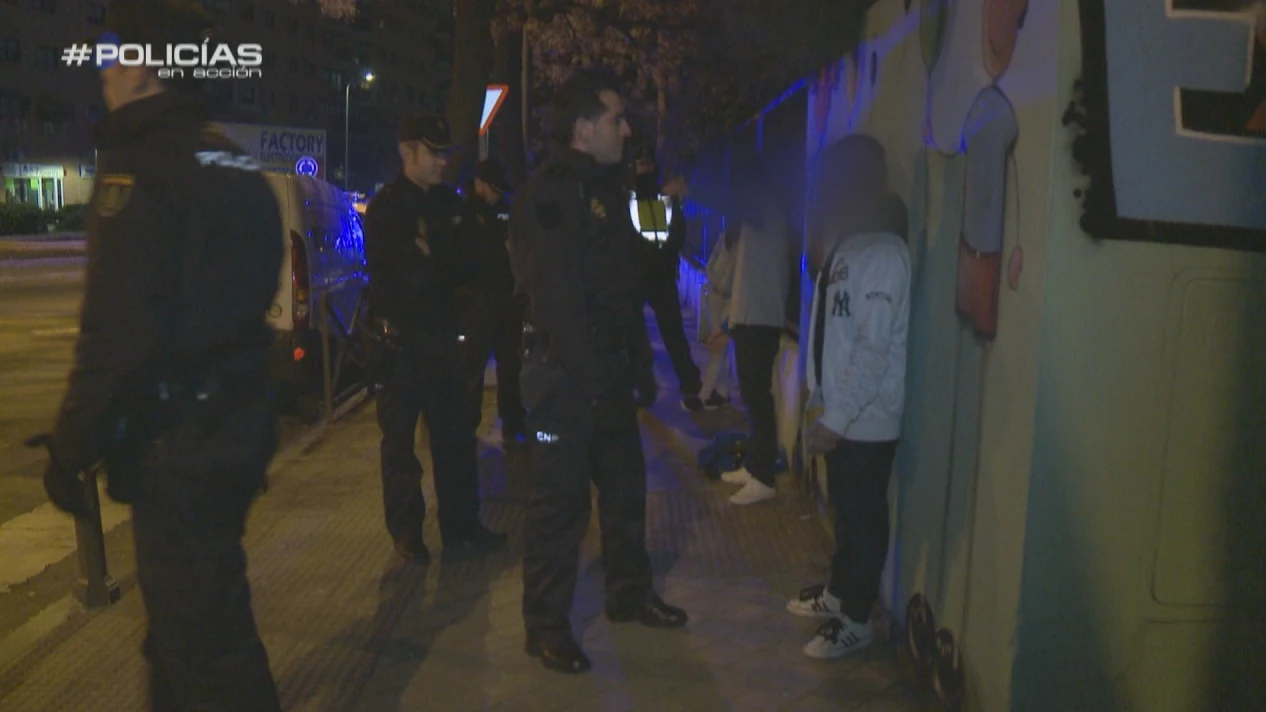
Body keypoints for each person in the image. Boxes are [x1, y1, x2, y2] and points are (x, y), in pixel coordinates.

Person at [30, 0, 282, 707]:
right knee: (184, 630)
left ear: (144, 70)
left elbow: (117, 328)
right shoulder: (231, 158)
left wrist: (72, 447)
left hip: (179, 447)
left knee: (208, 644)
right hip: (236, 429)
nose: (105, 73)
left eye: (113, 57)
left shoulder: (138, 167)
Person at [508, 69, 688, 675]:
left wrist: (650, 188)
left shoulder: (615, 192)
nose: (627, 127)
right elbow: (557, 300)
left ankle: (629, 595)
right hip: (565, 378)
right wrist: (594, 381)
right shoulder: (549, 195)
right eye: (617, 119)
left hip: (607, 373)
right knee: (559, 507)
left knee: (625, 493)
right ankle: (546, 625)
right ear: (584, 128)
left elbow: (649, 263)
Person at [364, 114, 507, 566]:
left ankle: (461, 527)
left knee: (455, 440)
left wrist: (435, 259)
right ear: (408, 152)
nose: (443, 161)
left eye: (446, 152)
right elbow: (413, 274)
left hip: (443, 342)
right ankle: (408, 535)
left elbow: (478, 265)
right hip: (401, 347)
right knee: (401, 446)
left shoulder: (450, 205)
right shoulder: (387, 209)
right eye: (434, 152)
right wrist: (438, 265)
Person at [789, 134, 910, 660]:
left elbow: (872, 350)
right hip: (842, 414)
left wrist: (834, 419)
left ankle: (857, 619)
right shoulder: (849, 244)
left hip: (865, 421)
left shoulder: (884, 251)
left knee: (863, 522)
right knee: (846, 512)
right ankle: (840, 594)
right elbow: (827, 329)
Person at [458, 158, 527, 447]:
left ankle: (513, 423)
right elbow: (469, 258)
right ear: (480, 185)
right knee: (471, 369)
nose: (498, 195)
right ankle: (465, 426)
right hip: (479, 302)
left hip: (506, 301)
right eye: (494, 189)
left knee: (511, 366)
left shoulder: (504, 213)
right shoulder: (465, 215)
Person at [629, 148, 704, 410]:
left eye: (647, 164)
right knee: (640, 336)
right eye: (641, 164)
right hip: (643, 276)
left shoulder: (661, 199)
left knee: (671, 333)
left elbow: (677, 235)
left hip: (656, 275)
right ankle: (648, 385)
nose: (645, 169)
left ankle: (688, 381)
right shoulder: (634, 197)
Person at [700, 229, 739, 408]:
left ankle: (704, 395)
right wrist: (712, 277)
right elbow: (713, 258)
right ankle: (722, 393)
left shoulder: (745, 244)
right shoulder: (724, 236)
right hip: (716, 295)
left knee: (719, 347)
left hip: (730, 300)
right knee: (720, 350)